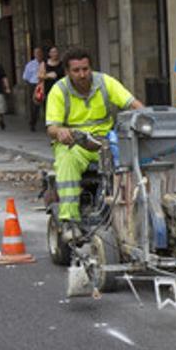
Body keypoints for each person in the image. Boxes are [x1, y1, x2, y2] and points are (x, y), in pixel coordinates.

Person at [45, 47, 143, 238]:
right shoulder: (59, 90)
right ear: (67, 72)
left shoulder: (104, 82)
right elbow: (51, 128)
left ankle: (137, 215)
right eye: (76, 70)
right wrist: (60, 132)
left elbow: (132, 103)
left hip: (105, 143)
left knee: (138, 160)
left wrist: (147, 118)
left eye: (85, 69)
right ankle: (69, 221)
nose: (82, 74)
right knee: (67, 161)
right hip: (74, 144)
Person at [22, 46, 44, 131]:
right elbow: (25, 77)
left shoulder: (45, 63)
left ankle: (48, 124)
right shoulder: (30, 65)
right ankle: (32, 123)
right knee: (35, 106)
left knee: (47, 104)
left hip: (44, 85)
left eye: (39, 53)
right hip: (34, 85)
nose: (38, 54)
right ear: (34, 54)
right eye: (36, 53)